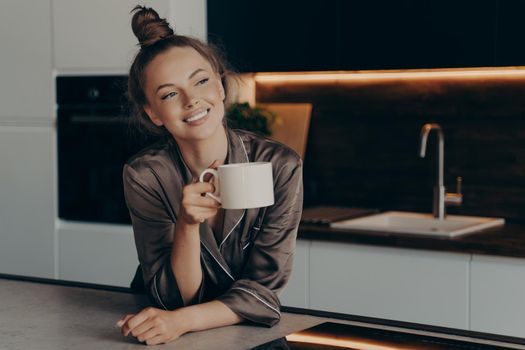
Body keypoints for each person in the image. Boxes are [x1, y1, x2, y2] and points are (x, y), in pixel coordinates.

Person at [116, 5, 303, 346]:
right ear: (153, 113)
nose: (191, 100)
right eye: (170, 94)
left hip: (235, 335)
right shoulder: (145, 175)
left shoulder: (280, 165)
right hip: (163, 328)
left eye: (201, 81)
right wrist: (186, 224)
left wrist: (182, 323)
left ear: (219, 85)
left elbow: (264, 289)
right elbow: (172, 298)